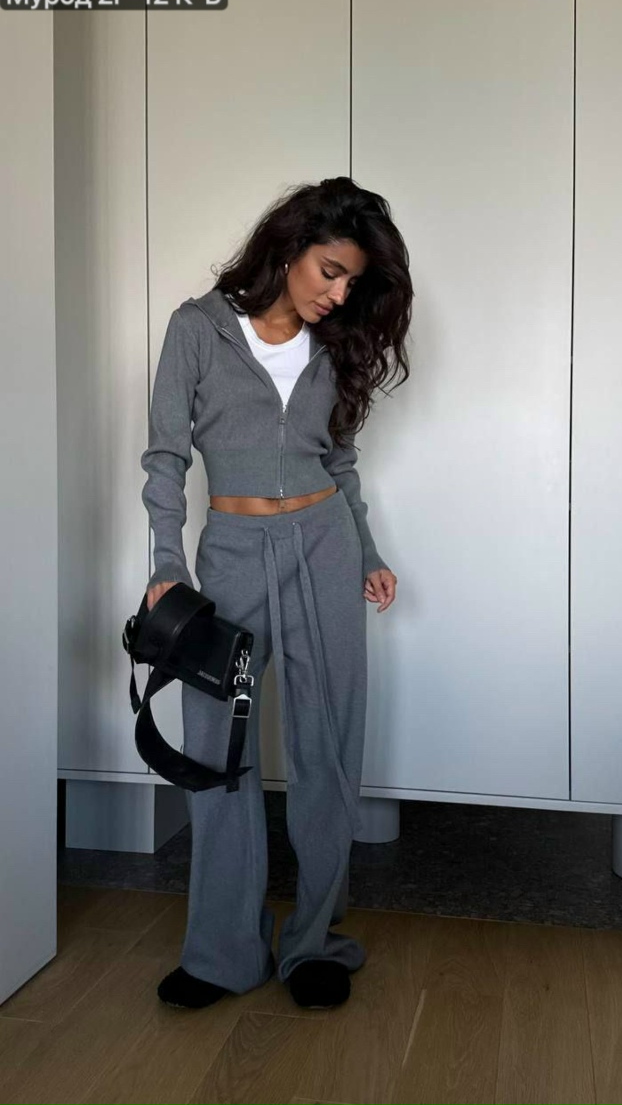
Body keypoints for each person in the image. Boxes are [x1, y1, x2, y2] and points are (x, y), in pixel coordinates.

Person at [140, 175, 413, 1011]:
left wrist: (366, 551)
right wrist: (166, 563)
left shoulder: (334, 344)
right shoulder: (198, 329)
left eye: (352, 282)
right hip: (230, 553)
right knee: (215, 751)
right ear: (291, 247)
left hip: (325, 546)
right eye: (331, 272)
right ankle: (222, 952)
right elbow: (165, 457)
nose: (340, 294)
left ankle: (313, 942)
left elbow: (340, 463)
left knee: (326, 745)